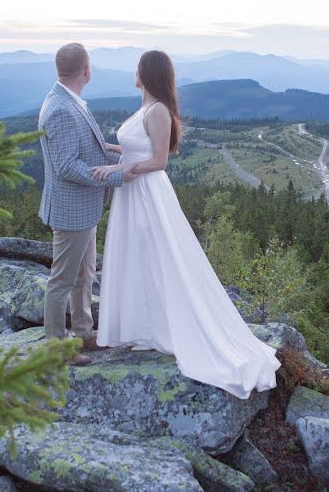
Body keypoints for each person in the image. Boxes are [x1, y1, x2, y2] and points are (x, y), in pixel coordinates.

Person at [90, 50, 281, 399]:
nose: (133, 72)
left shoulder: (160, 109)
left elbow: (159, 161)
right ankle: (146, 329)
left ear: (147, 73)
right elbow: (136, 149)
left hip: (147, 193)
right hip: (132, 194)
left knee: (161, 258)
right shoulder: (145, 108)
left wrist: (119, 169)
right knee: (137, 258)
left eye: (137, 67)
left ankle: (170, 328)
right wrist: (106, 147)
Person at [37, 42, 134, 367]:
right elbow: (67, 165)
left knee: (84, 274)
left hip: (83, 209)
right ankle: (55, 347)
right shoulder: (62, 108)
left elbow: (87, 154)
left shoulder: (68, 101)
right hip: (70, 210)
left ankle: (83, 332)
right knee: (62, 279)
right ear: (86, 70)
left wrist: (124, 158)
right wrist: (115, 177)